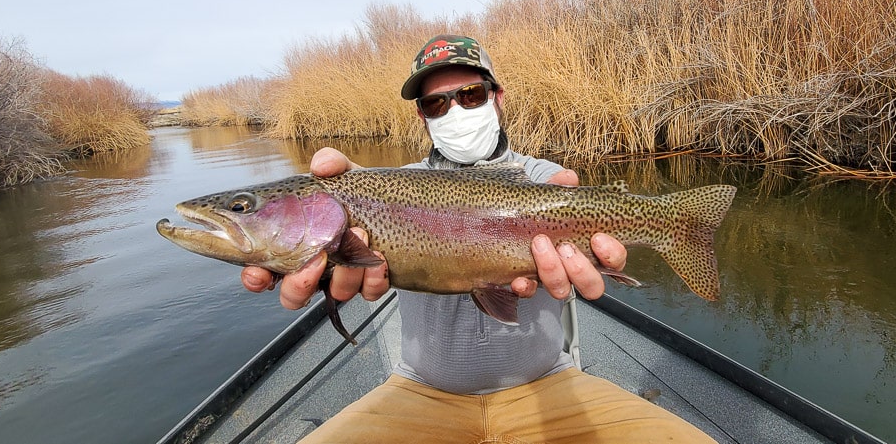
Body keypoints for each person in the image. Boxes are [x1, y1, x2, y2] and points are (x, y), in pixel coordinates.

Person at [240, 35, 716, 444]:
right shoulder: (381, 187)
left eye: (469, 94)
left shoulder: (546, 181)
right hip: (420, 393)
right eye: (435, 103)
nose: (454, 110)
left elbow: (585, 228)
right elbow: (351, 230)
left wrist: (618, 250)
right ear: (422, 117)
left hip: (547, 385)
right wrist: (324, 270)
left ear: (496, 96)